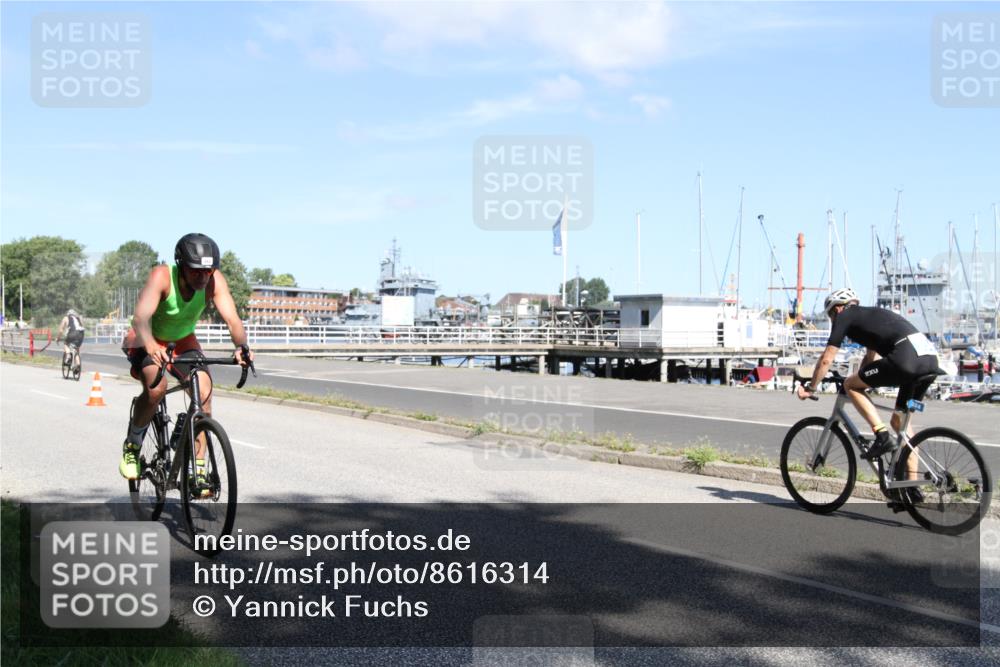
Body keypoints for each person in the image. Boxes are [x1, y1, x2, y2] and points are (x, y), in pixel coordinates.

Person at [119, 233, 253, 496]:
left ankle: (198, 470)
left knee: (203, 394)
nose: (203, 277)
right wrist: (151, 347)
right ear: (181, 265)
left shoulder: (214, 281)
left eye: (208, 271)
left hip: (182, 340)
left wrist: (242, 347)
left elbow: (233, 320)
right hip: (146, 338)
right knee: (157, 389)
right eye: (196, 271)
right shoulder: (161, 276)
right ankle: (133, 445)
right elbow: (141, 318)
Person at [797, 288, 942, 460]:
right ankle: (910, 484)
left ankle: (882, 436)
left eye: (831, 316)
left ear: (837, 309)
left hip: (906, 360)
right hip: (930, 362)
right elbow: (870, 357)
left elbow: (826, 359)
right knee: (900, 425)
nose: (833, 320)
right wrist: (861, 379)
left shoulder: (844, 316)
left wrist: (811, 388)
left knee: (850, 385)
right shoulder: (872, 316)